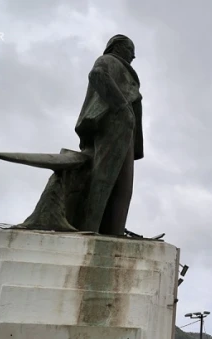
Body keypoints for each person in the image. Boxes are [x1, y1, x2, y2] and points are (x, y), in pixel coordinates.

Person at [74, 34, 144, 236]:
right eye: (131, 50)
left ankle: (114, 232)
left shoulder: (125, 69)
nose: (133, 56)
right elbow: (97, 75)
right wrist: (121, 107)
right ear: (118, 47)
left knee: (124, 186)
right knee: (104, 176)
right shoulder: (108, 60)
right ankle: (89, 228)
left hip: (125, 129)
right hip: (113, 123)